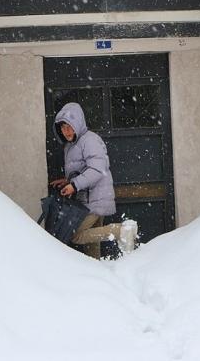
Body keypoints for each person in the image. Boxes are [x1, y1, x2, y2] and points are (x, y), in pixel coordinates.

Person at [51, 102, 137, 258]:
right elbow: (84, 168)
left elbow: (97, 169)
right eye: (63, 127)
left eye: (69, 126)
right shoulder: (71, 146)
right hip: (88, 198)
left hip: (96, 197)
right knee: (92, 245)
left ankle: (122, 230)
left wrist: (74, 185)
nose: (66, 131)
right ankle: (97, 275)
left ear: (77, 123)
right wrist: (67, 180)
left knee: (75, 235)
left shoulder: (89, 140)